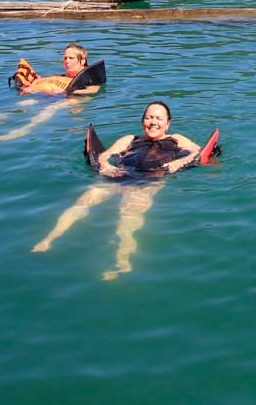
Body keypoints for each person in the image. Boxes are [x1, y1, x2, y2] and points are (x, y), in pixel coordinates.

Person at [32, 101, 203, 280]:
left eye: (159, 118)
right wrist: (106, 166)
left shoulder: (177, 139)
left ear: (168, 123)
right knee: (83, 202)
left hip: (147, 182)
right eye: (149, 117)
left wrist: (178, 162)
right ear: (142, 121)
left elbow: (198, 152)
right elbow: (105, 155)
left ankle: (122, 261)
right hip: (117, 177)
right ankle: (48, 239)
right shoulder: (130, 139)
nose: (153, 122)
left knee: (127, 217)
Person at [15, 44, 101, 96]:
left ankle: (29, 126)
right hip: (46, 97)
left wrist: (66, 92)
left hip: (68, 101)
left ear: (82, 60)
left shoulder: (87, 79)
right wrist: (33, 86)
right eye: (65, 58)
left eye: (71, 58)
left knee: (54, 108)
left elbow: (93, 90)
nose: (67, 61)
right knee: (24, 104)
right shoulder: (60, 76)